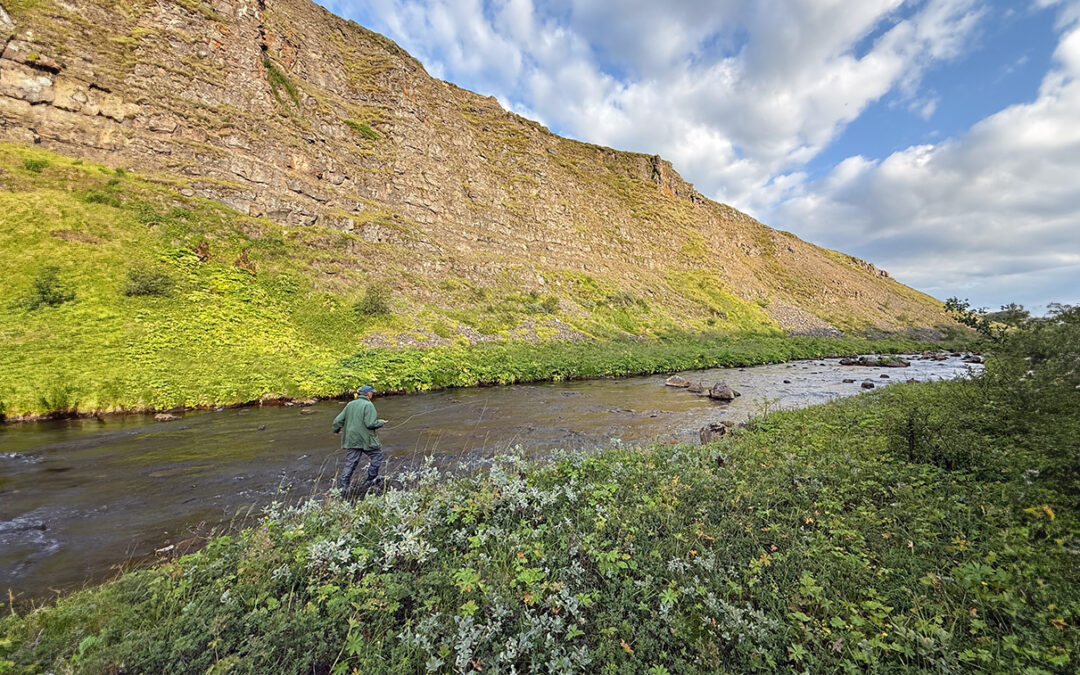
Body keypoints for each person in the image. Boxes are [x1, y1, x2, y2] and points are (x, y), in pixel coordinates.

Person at [332, 385, 387, 492]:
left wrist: (336, 430)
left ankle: (344, 486)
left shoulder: (350, 404)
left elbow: (338, 420)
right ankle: (370, 480)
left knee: (351, 463)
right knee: (377, 456)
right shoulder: (368, 405)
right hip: (366, 440)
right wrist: (381, 422)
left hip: (352, 439)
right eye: (372, 392)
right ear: (368, 394)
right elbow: (370, 424)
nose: (372, 394)